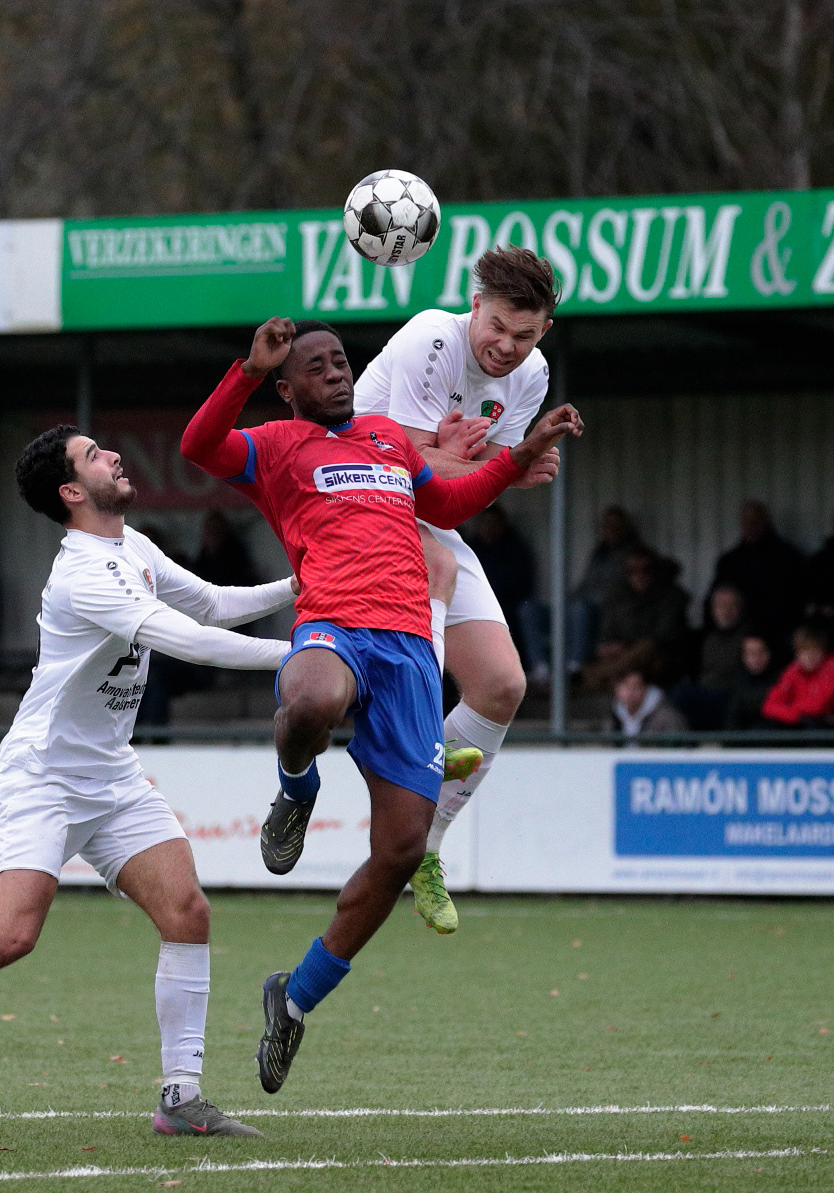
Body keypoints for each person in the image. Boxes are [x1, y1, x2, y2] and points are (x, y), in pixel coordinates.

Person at [0, 424, 298, 1140]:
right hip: (43, 775)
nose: (115, 455)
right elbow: (186, 640)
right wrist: (303, 653)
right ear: (72, 491)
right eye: (95, 455)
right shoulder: (81, 573)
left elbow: (212, 606)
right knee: (12, 934)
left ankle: (180, 1096)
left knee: (187, 912)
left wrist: (302, 584)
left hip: (112, 773)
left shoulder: (132, 546)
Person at [180, 316, 581, 1093]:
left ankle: (294, 999)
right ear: (288, 388)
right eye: (317, 367)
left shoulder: (387, 441)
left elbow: (451, 503)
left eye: (340, 362)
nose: (336, 373)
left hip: (408, 650)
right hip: (334, 623)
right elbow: (200, 446)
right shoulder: (275, 445)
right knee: (311, 698)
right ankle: (295, 790)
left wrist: (521, 453)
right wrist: (246, 371)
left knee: (399, 851)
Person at [349, 245, 560, 934]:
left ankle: (425, 846)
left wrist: (493, 464)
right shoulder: (431, 339)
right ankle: (408, 755)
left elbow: (459, 492)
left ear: (544, 330)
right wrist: (506, 465)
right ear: (474, 307)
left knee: (502, 686)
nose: (506, 346)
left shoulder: (532, 374)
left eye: (523, 334)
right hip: (355, 501)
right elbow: (406, 469)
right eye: (496, 326)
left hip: (421, 516)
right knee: (436, 569)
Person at [520, 505, 643, 682]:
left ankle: (574, 668)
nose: (611, 530)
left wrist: (581, 601)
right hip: (579, 605)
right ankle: (541, 667)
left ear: (625, 528)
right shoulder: (600, 553)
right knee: (529, 610)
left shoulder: (632, 554)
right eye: (607, 525)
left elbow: (620, 591)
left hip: (602, 612)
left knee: (580, 609)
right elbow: (585, 585)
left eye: (616, 525)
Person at [591, 548, 690, 688]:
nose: (639, 576)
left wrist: (626, 647)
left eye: (645, 570)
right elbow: (607, 632)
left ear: (655, 571)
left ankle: (599, 676)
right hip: (624, 658)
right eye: (631, 571)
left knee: (646, 648)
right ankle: (606, 678)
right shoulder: (617, 597)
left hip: (661, 658)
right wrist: (609, 646)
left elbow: (661, 636)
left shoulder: (671, 597)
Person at [711, 501, 805, 645]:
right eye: (746, 522)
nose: (750, 526)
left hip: (779, 629)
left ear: (766, 522)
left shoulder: (788, 558)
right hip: (738, 631)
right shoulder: (730, 561)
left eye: (755, 521)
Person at [464, 505, 535, 666]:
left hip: (506, 608)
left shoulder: (514, 551)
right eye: (485, 523)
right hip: (474, 608)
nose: (489, 528)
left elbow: (518, 586)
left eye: (494, 523)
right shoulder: (469, 550)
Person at [673, 585, 748, 729]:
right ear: (712, 609)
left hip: (731, 694)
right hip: (705, 691)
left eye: (731, 605)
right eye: (721, 605)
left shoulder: (748, 637)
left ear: (740, 609)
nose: (726, 610)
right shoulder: (704, 638)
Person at [761, 624, 834, 728]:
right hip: (801, 722)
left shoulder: (830, 669)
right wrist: (798, 716)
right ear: (797, 654)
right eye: (805, 651)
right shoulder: (793, 671)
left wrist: (792, 708)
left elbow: (819, 706)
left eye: (815, 651)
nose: (810, 656)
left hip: (823, 728)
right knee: (771, 725)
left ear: (823, 652)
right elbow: (769, 706)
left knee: (814, 724)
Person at [609, 665, 687, 740]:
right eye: (626, 686)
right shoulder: (611, 717)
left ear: (646, 688)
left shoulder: (668, 717)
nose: (630, 692)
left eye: (636, 686)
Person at [725, 635, 777, 730]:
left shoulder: (781, 680)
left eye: (760, 652)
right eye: (751, 653)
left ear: (768, 654)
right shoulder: (737, 683)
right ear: (744, 657)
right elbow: (732, 720)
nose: (756, 658)